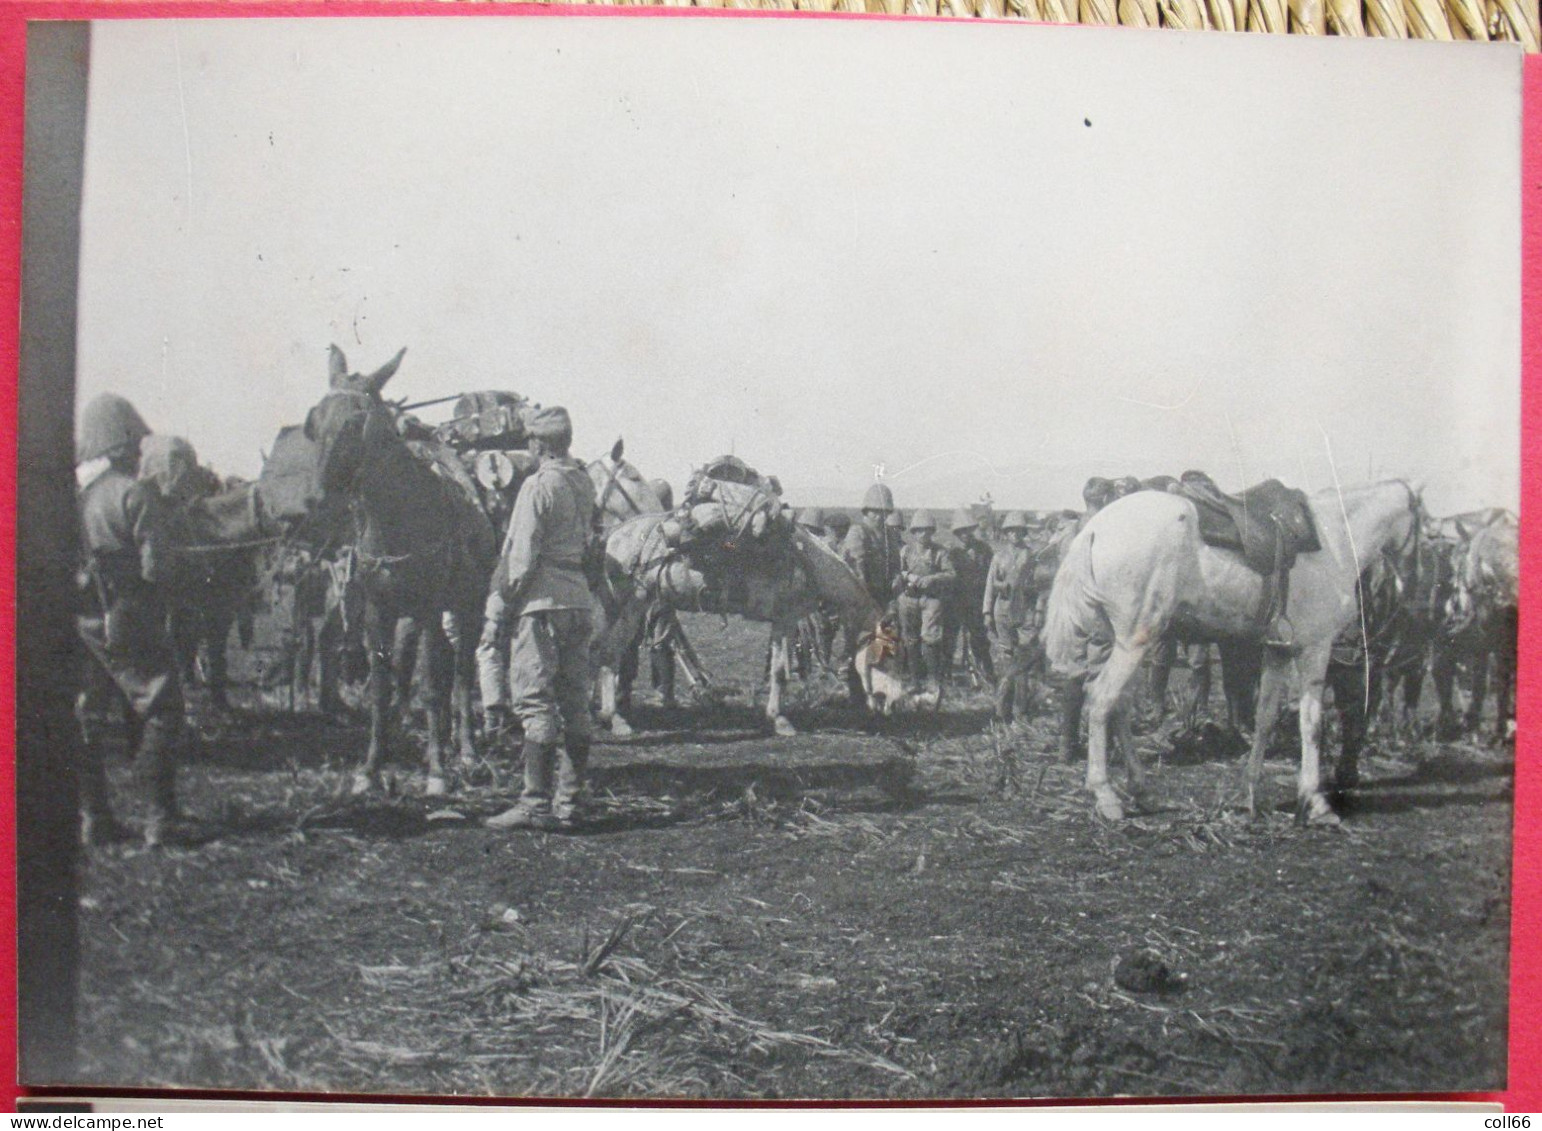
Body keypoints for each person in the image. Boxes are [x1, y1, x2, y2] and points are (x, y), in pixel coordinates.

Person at [74, 394, 197, 847]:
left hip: (82, 619)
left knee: (87, 713)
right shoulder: (133, 492)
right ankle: (159, 819)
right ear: (122, 442)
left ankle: (94, 818)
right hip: (128, 615)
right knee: (163, 709)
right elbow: (155, 568)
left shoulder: (75, 494)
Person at [486, 406, 599, 832]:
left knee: (534, 699)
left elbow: (522, 556)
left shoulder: (536, 487)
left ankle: (535, 804)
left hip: (542, 604)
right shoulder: (583, 482)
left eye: (530, 442)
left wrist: (504, 602)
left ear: (539, 444)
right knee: (575, 701)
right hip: (578, 600)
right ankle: (571, 801)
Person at [896, 510, 956, 701]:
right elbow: (897, 571)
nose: (923, 535)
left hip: (931, 599)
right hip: (909, 598)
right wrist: (907, 576)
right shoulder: (905, 551)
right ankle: (915, 680)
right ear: (913, 533)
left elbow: (951, 574)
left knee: (930, 639)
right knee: (910, 639)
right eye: (919, 531)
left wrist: (932, 579)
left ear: (932, 532)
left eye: (927, 531)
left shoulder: (939, 552)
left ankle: (933, 680)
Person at [983, 511, 1034, 726]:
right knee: (1005, 660)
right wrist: (986, 613)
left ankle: (1021, 711)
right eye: (1011, 531)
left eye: (1019, 531)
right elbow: (989, 586)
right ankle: (1001, 710)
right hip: (1002, 610)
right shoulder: (999, 556)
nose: (1015, 535)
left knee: (1021, 661)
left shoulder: (1030, 556)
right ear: (1006, 533)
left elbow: (1036, 585)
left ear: (1023, 533)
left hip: (1023, 611)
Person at [945, 509, 996, 686]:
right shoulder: (951, 551)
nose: (965, 534)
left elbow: (991, 575)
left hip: (976, 601)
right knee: (950, 638)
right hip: (955, 601)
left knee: (980, 639)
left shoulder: (984, 550)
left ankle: (986, 673)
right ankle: (947, 674)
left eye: (968, 530)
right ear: (956, 532)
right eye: (961, 531)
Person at [841, 483, 904, 609]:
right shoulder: (857, 531)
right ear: (866, 511)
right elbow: (857, 567)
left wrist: (897, 577)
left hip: (885, 591)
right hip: (861, 591)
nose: (879, 516)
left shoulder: (889, 534)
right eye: (874, 511)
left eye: (883, 512)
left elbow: (895, 563)